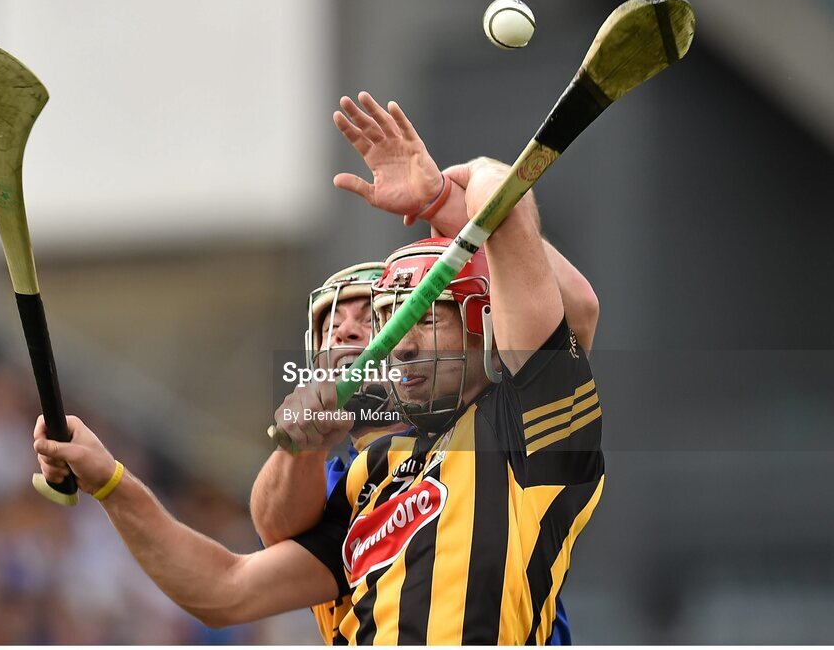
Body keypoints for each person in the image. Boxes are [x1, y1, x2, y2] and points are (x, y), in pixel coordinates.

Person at [32, 96, 604, 644]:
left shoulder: (529, 418)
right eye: (394, 323)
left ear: (484, 323)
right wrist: (110, 480)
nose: (397, 344)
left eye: (426, 318)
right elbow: (224, 588)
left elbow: (545, 267)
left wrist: (446, 200)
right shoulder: (373, 474)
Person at [250, 261, 409, 643]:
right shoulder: (329, 487)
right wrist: (303, 446)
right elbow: (274, 530)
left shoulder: (478, 431)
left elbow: (577, 312)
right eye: (330, 327)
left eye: (370, 317)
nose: (344, 332)